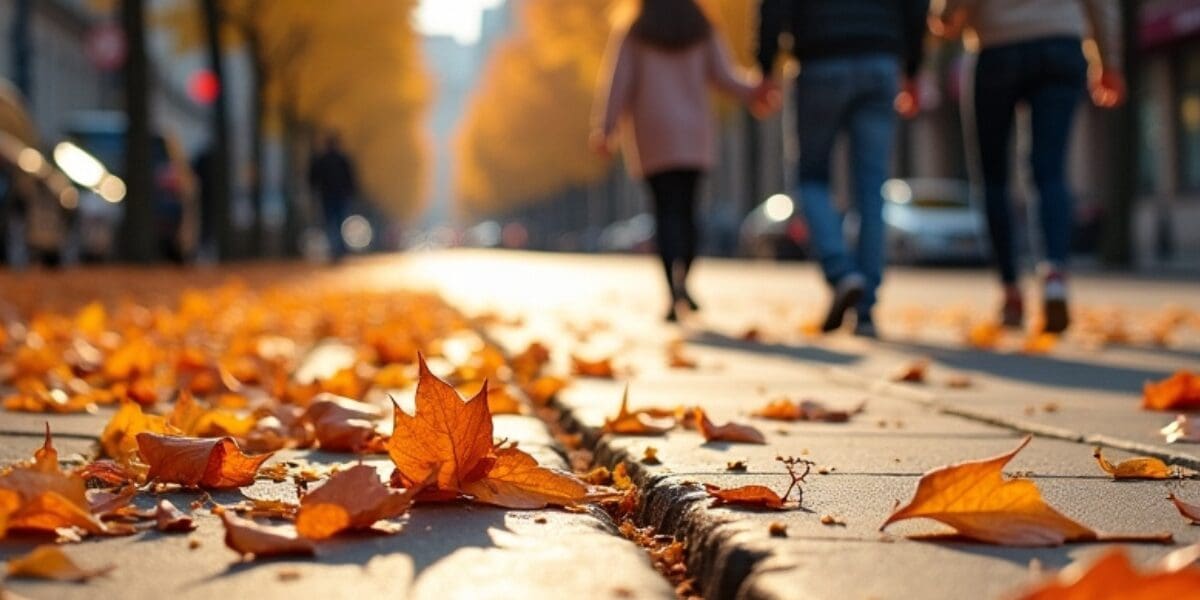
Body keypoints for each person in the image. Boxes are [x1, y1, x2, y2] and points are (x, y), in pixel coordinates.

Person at [934, 1, 1124, 333]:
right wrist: (1109, 62)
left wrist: (946, 20)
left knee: (993, 177)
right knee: (1049, 170)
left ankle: (1010, 291)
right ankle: (1054, 276)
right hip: (1061, 43)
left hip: (995, 47)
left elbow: (950, 14)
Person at [592, 0, 771, 322]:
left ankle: (670, 290)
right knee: (688, 210)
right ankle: (684, 279)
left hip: (653, 131)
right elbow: (725, 76)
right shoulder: (701, 26)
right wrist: (756, 89)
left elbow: (618, 83)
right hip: (693, 132)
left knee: (664, 212)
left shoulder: (635, 29)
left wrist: (605, 129)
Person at [759, 0, 929, 337]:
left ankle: (841, 271)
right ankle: (865, 308)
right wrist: (913, 67)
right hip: (880, 60)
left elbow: (773, 6)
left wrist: (765, 66)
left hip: (820, 60)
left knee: (809, 177)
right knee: (871, 186)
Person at [307, 132, 358, 263]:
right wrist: (351, 193)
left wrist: (314, 191)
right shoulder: (343, 160)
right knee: (340, 222)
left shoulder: (321, 160)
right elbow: (351, 179)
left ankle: (335, 249)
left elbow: (313, 179)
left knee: (331, 223)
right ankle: (339, 249)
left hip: (327, 196)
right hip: (340, 196)